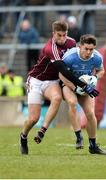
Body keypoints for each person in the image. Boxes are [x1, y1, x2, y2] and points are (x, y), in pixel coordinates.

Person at [19, 21, 77, 155]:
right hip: (36, 80)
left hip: (52, 81)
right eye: (59, 35)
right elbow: (63, 68)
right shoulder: (50, 48)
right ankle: (23, 136)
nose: (62, 39)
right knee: (33, 119)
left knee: (56, 98)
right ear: (53, 34)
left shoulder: (72, 43)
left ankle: (42, 131)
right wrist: (81, 84)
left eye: (64, 35)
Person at [59, 34, 106, 155]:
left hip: (85, 88)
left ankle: (93, 146)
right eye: (86, 48)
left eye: (91, 49)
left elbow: (102, 70)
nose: (88, 52)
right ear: (80, 46)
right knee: (72, 103)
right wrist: (74, 87)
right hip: (69, 85)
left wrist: (94, 77)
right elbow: (61, 74)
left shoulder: (97, 57)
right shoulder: (70, 56)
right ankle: (79, 136)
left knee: (91, 114)